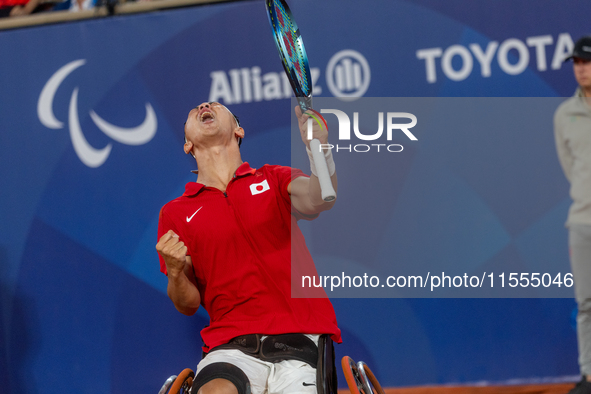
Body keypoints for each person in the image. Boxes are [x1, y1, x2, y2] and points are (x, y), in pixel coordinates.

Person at [156, 101, 341, 394]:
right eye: (194, 111)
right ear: (188, 145)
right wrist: (176, 273)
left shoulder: (273, 179)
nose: (204, 105)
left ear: (238, 130)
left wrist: (318, 148)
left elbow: (321, 198)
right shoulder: (175, 213)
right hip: (230, 345)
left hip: (300, 338)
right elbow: (187, 304)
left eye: (216, 105)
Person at [554, 35, 591, 394]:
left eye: (586, 62)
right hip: (582, 221)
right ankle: (589, 375)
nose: (581, 69)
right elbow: (571, 167)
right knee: (586, 302)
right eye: (577, 63)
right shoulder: (565, 114)